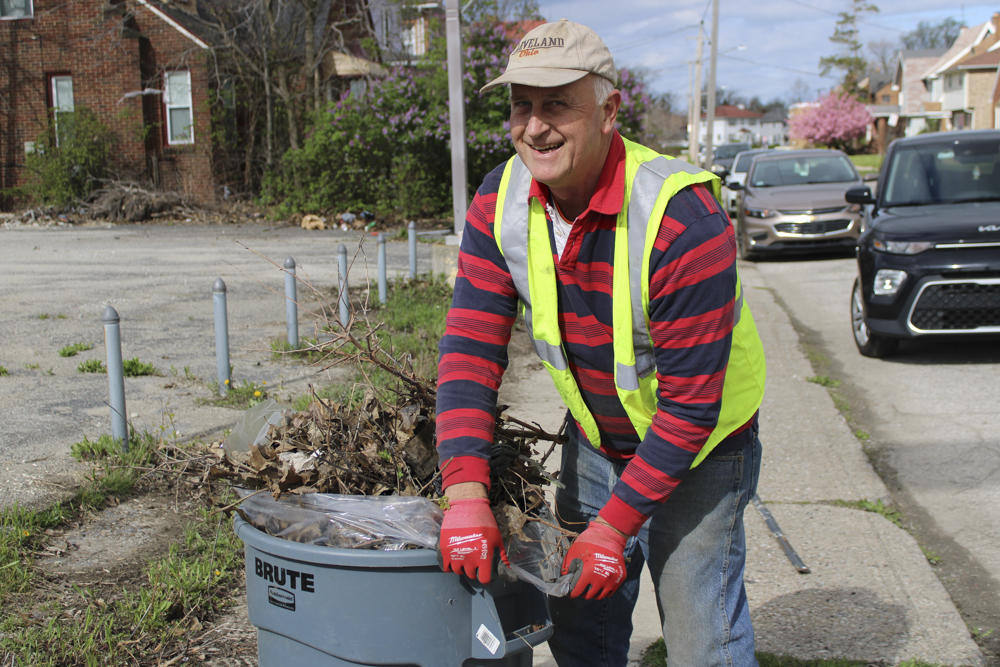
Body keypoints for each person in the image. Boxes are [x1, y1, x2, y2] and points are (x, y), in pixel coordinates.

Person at [435, 19, 766, 667]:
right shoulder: (499, 199)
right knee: (581, 623)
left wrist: (616, 525)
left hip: (703, 449)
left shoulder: (679, 216)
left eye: (557, 103)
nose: (535, 126)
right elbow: (471, 348)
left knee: (701, 634)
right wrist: (465, 492)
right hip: (598, 440)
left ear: (610, 109)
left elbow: (693, 404)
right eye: (521, 105)